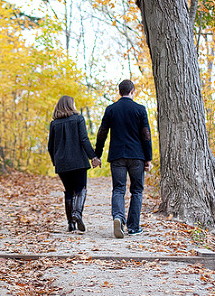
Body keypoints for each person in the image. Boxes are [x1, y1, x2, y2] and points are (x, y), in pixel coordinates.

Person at [94, 80, 152, 238]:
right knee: (137, 191)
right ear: (132, 91)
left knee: (118, 189)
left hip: (117, 156)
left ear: (119, 92)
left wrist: (97, 154)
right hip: (137, 156)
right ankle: (133, 227)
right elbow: (146, 135)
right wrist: (148, 158)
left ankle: (118, 217)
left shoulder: (111, 109)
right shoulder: (140, 109)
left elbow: (102, 133)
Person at [48, 96, 101, 233]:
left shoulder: (54, 124)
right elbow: (84, 139)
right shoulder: (79, 119)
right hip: (78, 162)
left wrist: (56, 162)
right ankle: (77, 213)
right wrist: (93, 157)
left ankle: (70, 224)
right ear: (71, 105)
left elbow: (50, 146)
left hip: (62, 163)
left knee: (68, 192)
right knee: (80, 189)